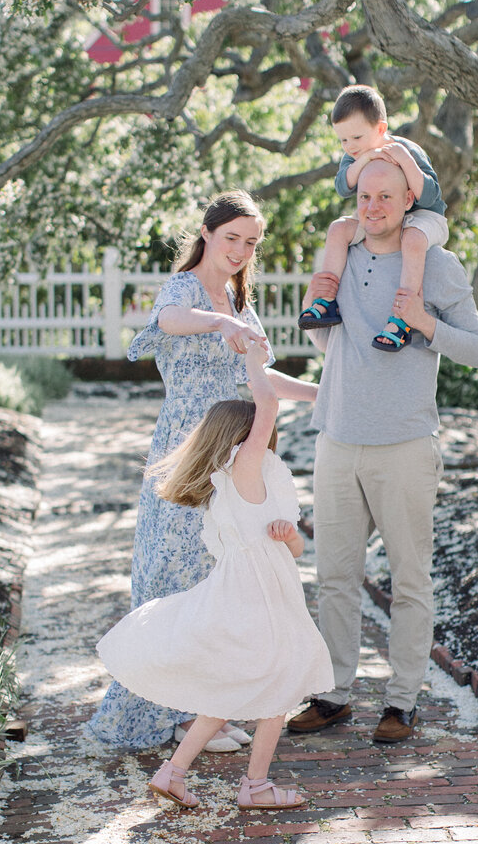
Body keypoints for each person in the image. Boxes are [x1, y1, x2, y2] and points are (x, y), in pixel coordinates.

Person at [87, 190, 318, 752]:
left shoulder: (243, 303)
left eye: (251, 242)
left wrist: (324, 392)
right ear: (209, 233)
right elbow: (170, 319)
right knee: (172, 573)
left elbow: (259, 381)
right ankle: (171, 715)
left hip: (233, 449)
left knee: (220, 578)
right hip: (188, 448)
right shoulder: (186, 290)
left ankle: (205, 706)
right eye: (232, 237)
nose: (240, 250)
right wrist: (220, 323)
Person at [288, 159, 478, 744]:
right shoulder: (341, 257)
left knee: (409, 581)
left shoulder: (438, 265)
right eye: (365, 197)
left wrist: (423, 321)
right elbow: (328, 338)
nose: (372, 207)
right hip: (337, 438)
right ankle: (333, 694)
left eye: (385, 197)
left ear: (409, 202)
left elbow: (477, 349)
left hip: (404, 444)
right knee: (334, 579)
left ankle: (401, 703)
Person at [96, 339, 334, 810]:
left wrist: (288, 534)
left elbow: (297, 548)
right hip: (255, 594)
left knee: (242, 682)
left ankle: (173, 773)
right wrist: (253, 360)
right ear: (237, 439)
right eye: (253, 430)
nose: (263, 432)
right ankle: (256, 787)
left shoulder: (257, 474)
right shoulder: (239, 468)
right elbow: (266, 402)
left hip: (269, 588)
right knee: (282, 679)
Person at [297, 84, 449, 352]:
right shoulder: (354, 157)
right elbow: (343, 187)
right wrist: (366, 157)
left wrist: (403, 159)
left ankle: (401, 319)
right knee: (338, 229)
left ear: (380, 129)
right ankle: (327, 300)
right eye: (343, 140)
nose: (349, 146)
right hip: (380, 219)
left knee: (412, 239)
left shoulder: (407, 149)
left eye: (356, 138)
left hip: (422, 218)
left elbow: (430, 196)